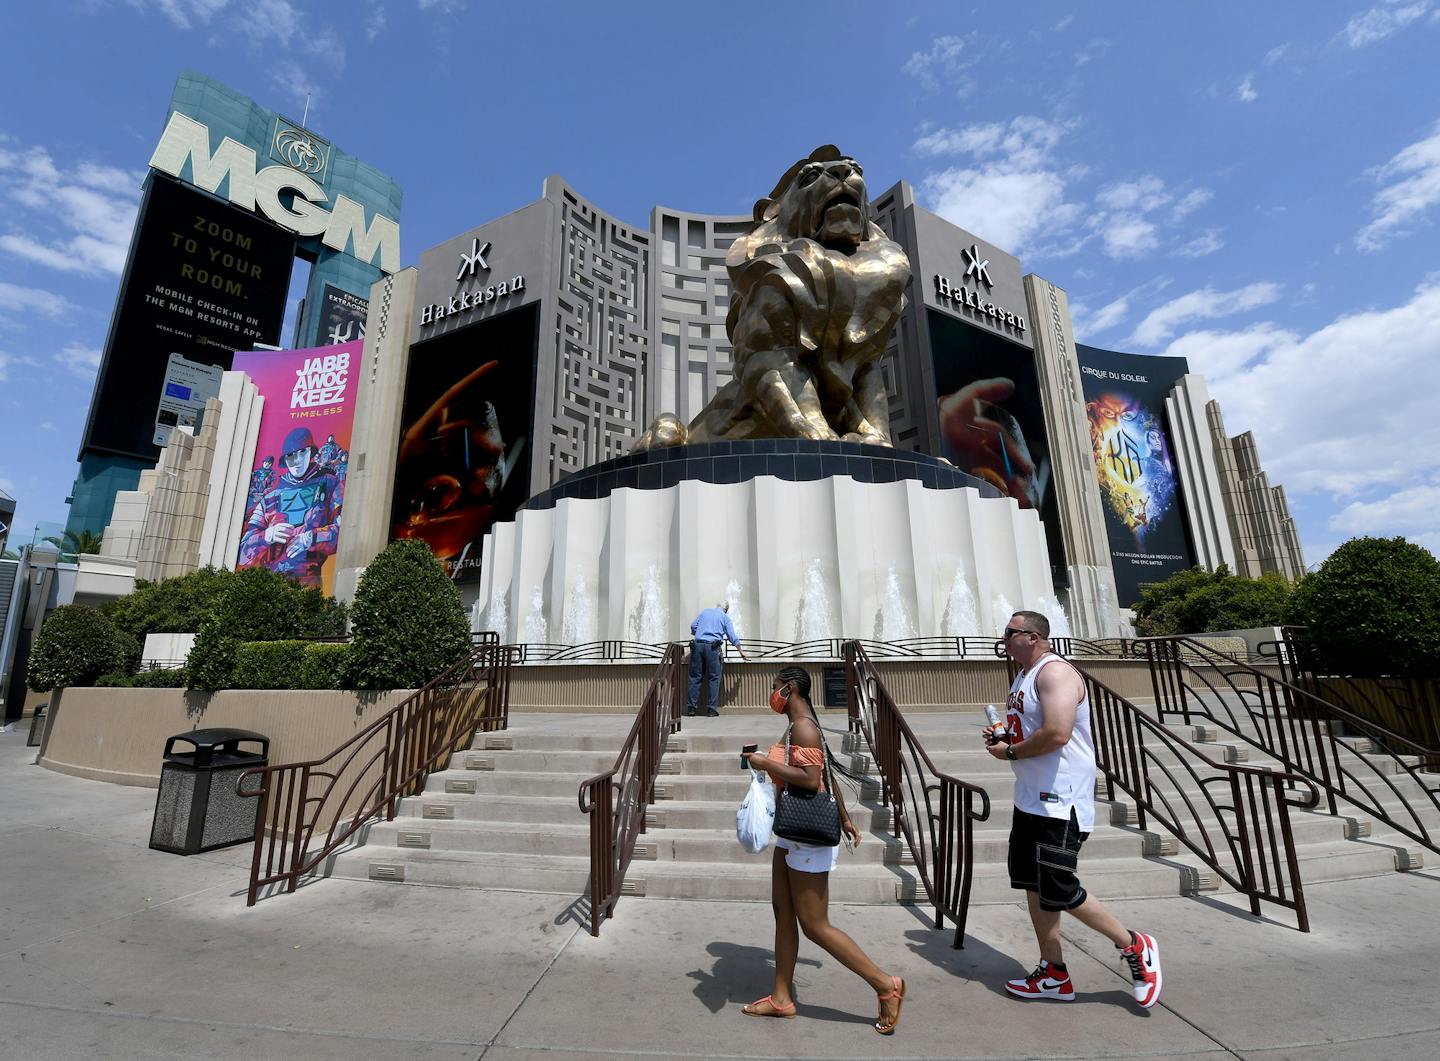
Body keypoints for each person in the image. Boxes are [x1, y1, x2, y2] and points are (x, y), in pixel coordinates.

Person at [988, 610, 1163, 1008]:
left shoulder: (1056, 673)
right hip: (1031, 798)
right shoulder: (1024, 676)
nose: (1004, 638)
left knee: (1060, 887)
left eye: (1010, 632)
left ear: (1033, 636)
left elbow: (1058, 733)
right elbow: (1035, 729)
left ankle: (1134, 945)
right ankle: (1053, 973)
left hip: (1059, 801)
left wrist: (1011, 750)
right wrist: (1005, 736)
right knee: (1034, 885)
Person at [741, 666, 905, 1034]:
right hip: (791, 830)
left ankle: (885, 985)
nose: (772, 693)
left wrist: (764, 762)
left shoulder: (804, 726)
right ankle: (781, 998)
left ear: (791, 688)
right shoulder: (799, 722)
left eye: (775, 687)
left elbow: (812, 779)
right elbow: (827, 776)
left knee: (814, 925)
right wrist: (845, 816)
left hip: (807, 835)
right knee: (783, 912)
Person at [237, 428, 342, 589]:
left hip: (309, 582)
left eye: (302, 452)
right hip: (270, 585)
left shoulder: (330, 484)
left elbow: (343, 532)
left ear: (310, 452)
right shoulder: (270, 497)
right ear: (285, 460)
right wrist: (267, 536)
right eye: (291, 456)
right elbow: (243, 551)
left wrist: (310, 539)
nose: (297, 460)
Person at [686, 601, 746, 716]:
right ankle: (711, 709)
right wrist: (740, 651)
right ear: (726, 610)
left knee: (695, 677)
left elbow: (693, 626)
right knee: (714, 678)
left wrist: (698, 633)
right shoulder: (725, 618)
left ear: (717, 606)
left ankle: (691, 709)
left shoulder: (705, 612)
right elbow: (732, 636)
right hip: (713, 649)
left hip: (697, 647)